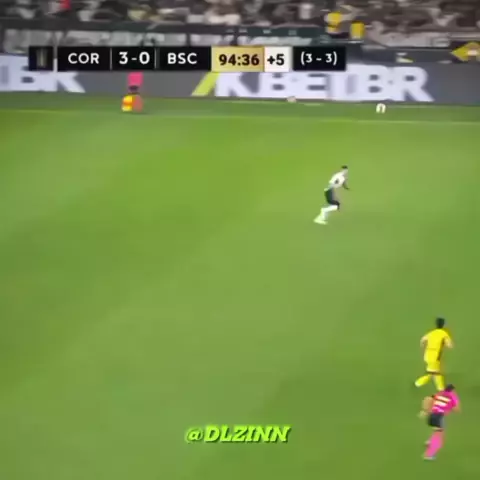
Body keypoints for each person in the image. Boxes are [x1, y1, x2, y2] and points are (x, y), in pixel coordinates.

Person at [419, 384, 460, 460]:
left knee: (438, 430)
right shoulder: (452, 396)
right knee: (439, 437)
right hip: (439, 416)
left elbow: (428, 399)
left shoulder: (440, 393)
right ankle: (429, 455)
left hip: (432, 415)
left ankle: (429, 442)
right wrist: (450, 407)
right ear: (452, 390)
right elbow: (457, 409)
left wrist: (425, 410)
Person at [415, 317, 453, 391]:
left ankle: (418, 383)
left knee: (434, 372)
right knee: (434, 373)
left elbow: (422, 339)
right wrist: (446, 344)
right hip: (435, 357)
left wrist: (423, 346)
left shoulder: (432, 332)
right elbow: (450, 345)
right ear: (443, 325)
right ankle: (419, 383)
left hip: (427, 355)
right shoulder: (444, 333)